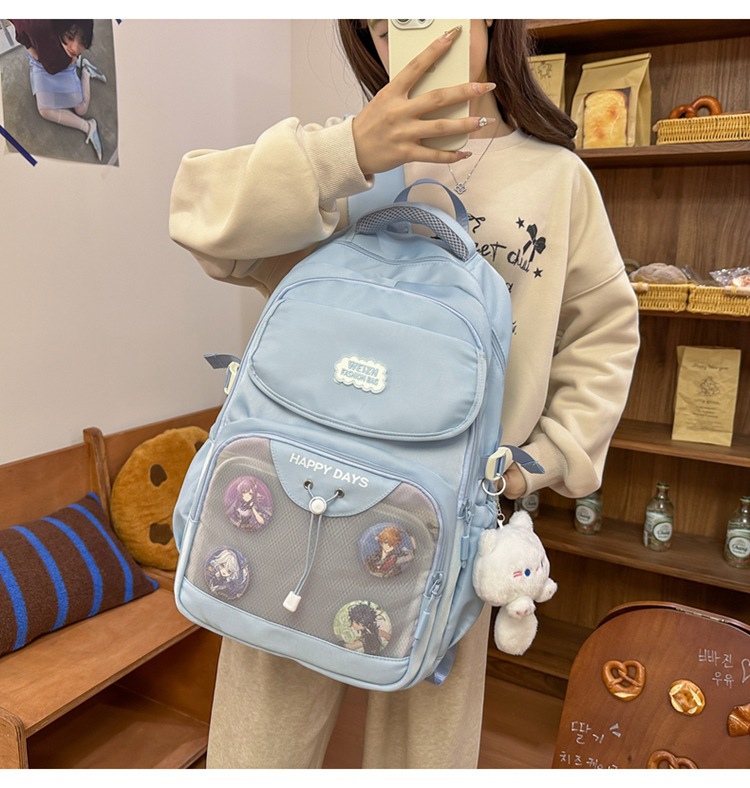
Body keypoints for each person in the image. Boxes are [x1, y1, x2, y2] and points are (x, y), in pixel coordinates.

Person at [169, 19, 640, 768]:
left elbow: (604, 333)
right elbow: (198, 217)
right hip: (294, 489)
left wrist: (537, 463)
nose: (409, 36)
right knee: (256, 750)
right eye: (384, 24)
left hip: (452, 508)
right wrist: (348, 153)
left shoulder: (556, 179)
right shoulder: (340, 152)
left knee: (424, 755)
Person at [11, 19, 106, 160]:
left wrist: (73, 58)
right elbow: (20, 33)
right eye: (70, 37)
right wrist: (34, 52)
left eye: (82, 41)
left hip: (64, 61)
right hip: (42, 63)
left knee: (81, 109)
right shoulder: (35, 25)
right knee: (45, 110)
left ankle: (86, 70)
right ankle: (88, 127)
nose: (75, 47)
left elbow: (79, 34)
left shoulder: (70, 44)